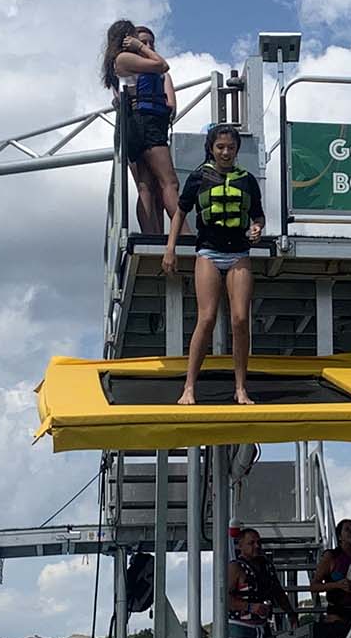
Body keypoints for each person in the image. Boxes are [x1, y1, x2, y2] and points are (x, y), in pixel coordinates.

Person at [163, 124, 266, 405]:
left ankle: (241, 388)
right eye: (220, 147)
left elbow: (258, 216)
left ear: (236, 150)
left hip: (239, 254)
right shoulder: (198, 177)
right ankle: (188, 388)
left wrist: (257, 228)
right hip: (208, 252)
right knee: (206, 318)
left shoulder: (247, 180)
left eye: (230, 148)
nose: (225, 152)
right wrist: (170, 249)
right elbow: (179, 212)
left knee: (240, 319)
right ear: (211, 148)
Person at [100, 20, 181, 235]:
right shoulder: (126, 59)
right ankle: (184, 233)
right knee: (169, 182)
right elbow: (163, 65)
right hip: (146, 124)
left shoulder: (123, 63)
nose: (140, 41)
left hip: (136, 126)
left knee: (146, 185)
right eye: (134, 36)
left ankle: (152, 234)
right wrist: (141, 47)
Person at [310, 548, 351, 623]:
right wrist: (337, 585)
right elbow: (313, 587)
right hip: (338, 612)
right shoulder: (331, 556)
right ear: (340, 537)